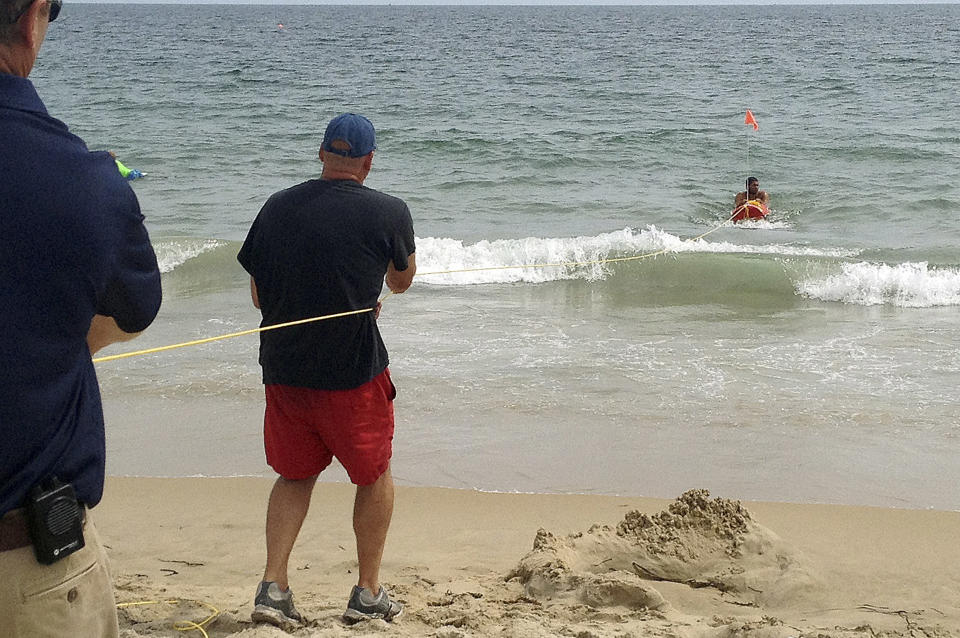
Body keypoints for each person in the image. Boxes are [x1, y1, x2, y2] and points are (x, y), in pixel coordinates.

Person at [0, 1, 163, 636]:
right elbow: (134, 311)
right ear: (34, 16)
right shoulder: (86, 184)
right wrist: (53, 350)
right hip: (24, 569)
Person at [237, 113, 416, 629]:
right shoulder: (389, 211)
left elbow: (257, 294)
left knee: (294, 475)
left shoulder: (275, 207)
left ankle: (273, 588)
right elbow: (401, 283)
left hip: (284, 369)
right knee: (375, 475)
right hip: (353, 376)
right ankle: (367, 593)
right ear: (369, 161)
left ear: (321, 155)